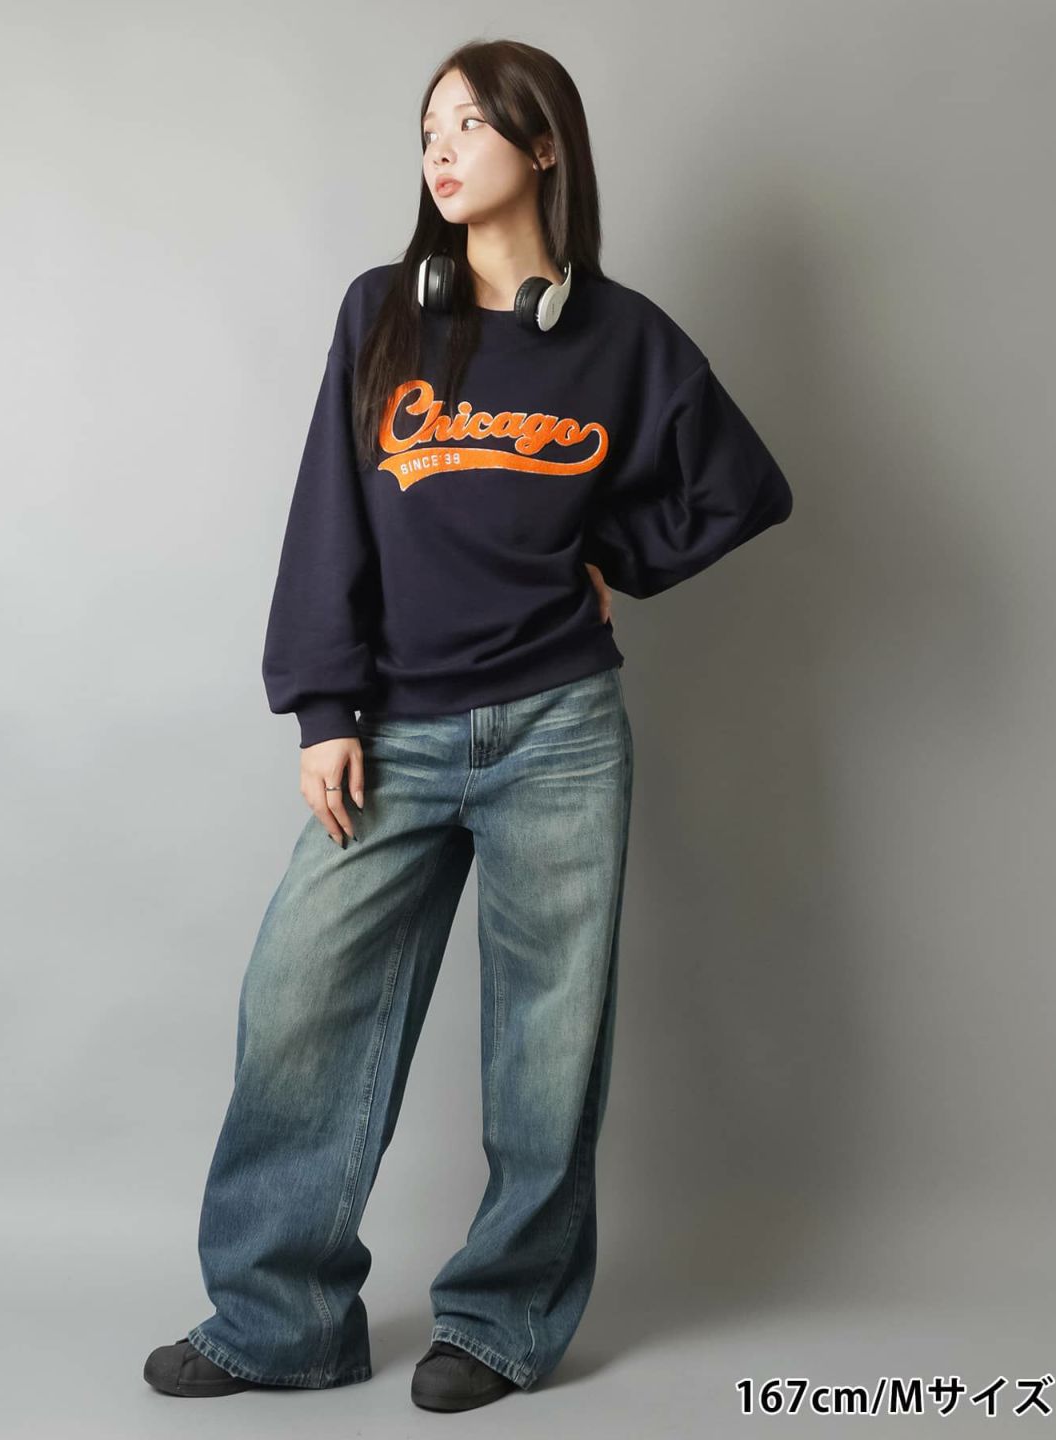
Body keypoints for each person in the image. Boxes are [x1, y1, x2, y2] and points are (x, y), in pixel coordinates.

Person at [143, 37, 793, 1413]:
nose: (440, 150)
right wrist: (325, 706)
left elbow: (743, 486)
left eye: (469, 126)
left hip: (561, 730)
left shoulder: (622, 340)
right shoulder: (382, 314)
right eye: (427, 128)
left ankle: (500, 1326)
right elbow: (329, 515)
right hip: (398, 730)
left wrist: (621, 555)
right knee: (298, 1006)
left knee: (549, 1045)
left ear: (543, 146)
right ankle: (279, 1321)